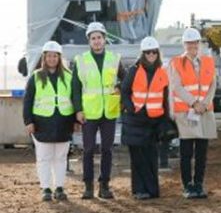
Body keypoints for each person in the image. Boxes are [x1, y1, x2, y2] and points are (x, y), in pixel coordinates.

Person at [72, 22, 126, 199]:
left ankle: (104, 186)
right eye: (93, 38)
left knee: (107, 150)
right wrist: (78, 110)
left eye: (99, 38)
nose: (96, 41)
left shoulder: (114, 59)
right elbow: (75, 88)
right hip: (88, 113)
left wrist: (119, 87)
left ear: (104, 39)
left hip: (108, 112)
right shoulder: (80, 61)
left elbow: (126, 80)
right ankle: (88, 186)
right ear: (89, 41)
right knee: (88, 150)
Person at [23, 41, 76, 201]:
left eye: (55, 56)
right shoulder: (36, 76)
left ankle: (59, 188)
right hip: (41, 124)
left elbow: (75, 99)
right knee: (44, 157)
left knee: (61, 157)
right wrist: (28, 122)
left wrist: (76, 122)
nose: (52, 59)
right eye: (49, 56)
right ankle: (46, 188)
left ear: (59, 58)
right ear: (44, 58)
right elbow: (28, 101)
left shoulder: (69, 76)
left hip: (63, 123)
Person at [169, 28, 217, 199]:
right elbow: (176, 86)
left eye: (195, 42)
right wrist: (194, 103)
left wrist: (204, 104)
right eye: (189, 43)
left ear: (199, 43)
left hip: (204, 111)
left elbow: (212, 85)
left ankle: (198, 183)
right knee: (186, 151)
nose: (192, 46)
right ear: (184, 44)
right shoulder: (176, 62)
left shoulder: (208, 62)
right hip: (186, 112)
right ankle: (187, 185)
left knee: (202, 151)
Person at [120, 37, 170, 200]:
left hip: (154, 121)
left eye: (154, 51)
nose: (151, 54)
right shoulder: (134, 70)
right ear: (143, 53)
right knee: (137, 157)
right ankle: (139, 190)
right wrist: (131, 108)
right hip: (136, 119)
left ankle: (152, 190)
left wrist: (165, 120)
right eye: (148, 52)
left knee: (151, 156)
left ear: (158, 53)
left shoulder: (162, 72)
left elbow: (165, 98)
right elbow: (125, 91)